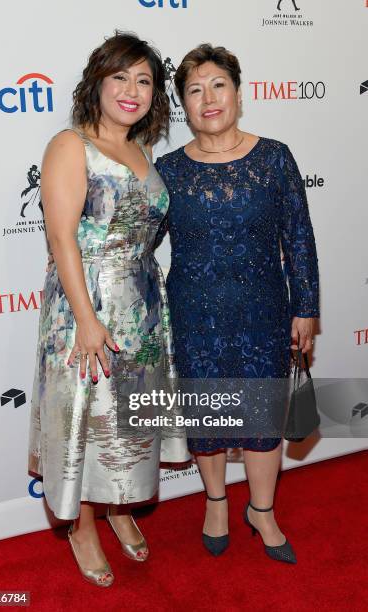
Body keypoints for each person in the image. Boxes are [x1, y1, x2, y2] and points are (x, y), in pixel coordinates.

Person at [28, 31, 189, 587]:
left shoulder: (141, 151)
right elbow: (63, 239)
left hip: (141, 306)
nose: (132, 89)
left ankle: (122, 506)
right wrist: (88, 321)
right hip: (87, 304)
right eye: (120, 76)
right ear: (96, 82)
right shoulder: (70, 145)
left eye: (144, 80)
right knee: (87, 420)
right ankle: (82, 527)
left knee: (128, 419)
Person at [155, 44, 319, 563]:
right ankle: (217, 501)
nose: (208, 98)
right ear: (183, 103)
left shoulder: (274, 157)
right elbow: (136, 239)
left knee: (262, 416)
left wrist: (306, 307)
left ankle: (263, 511)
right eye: (195, 90)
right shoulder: (167, 170)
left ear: (238, 92)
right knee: (209, 416)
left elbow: (299, 238)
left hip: (264, 311)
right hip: (194, 312)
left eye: (217, 85)